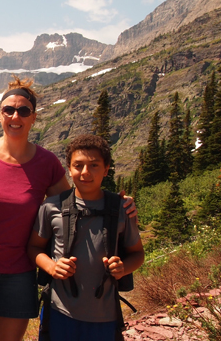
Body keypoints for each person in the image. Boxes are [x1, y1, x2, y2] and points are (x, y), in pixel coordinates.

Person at [0, 77, 136, 341]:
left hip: (21, 271)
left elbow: (74, 202)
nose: (16, 116)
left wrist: (116, 204)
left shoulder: (46, 162)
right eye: (9, 110)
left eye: (24, 111)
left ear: (33, 117)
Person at [27, 134, 144, 341]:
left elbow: (137, 254)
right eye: (78, 165)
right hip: (59, 311)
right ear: (69, 169)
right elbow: (34, 248)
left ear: (106, 169)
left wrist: (123, 268)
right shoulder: (51, 207)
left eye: (94, 165)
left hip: (105, 315)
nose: (85, 172)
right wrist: (52, 267)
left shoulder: (121, 209)